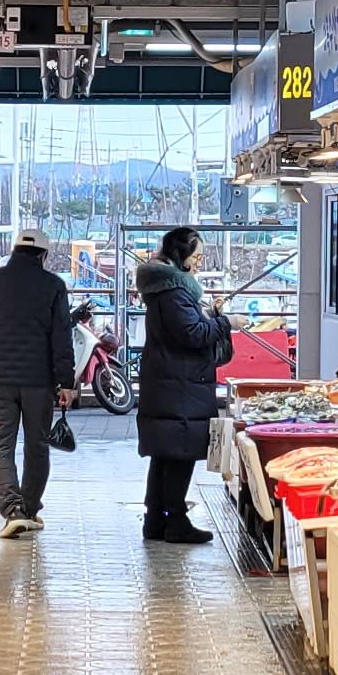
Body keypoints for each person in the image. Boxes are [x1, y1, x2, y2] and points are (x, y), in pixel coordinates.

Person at [133, 223, 234, 544]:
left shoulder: (165, 290)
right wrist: (226, 322)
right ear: (181, 255)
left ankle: (155, 520)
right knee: (179, 455)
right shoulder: (175, 293)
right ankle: (175, 521)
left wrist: (212, 315)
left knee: (165, 456)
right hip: (179, 387)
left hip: (170, 384)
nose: (200, 263)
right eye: (197, 256)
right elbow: (192, 334)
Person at [0, 228, 74, 537]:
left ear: (14, 250)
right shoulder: (53, 286)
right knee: (36, 445)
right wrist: (66, 382)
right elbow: (62, 336)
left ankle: (12, 510)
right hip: (38, 381)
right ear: (43, 255)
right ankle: (28, 509)